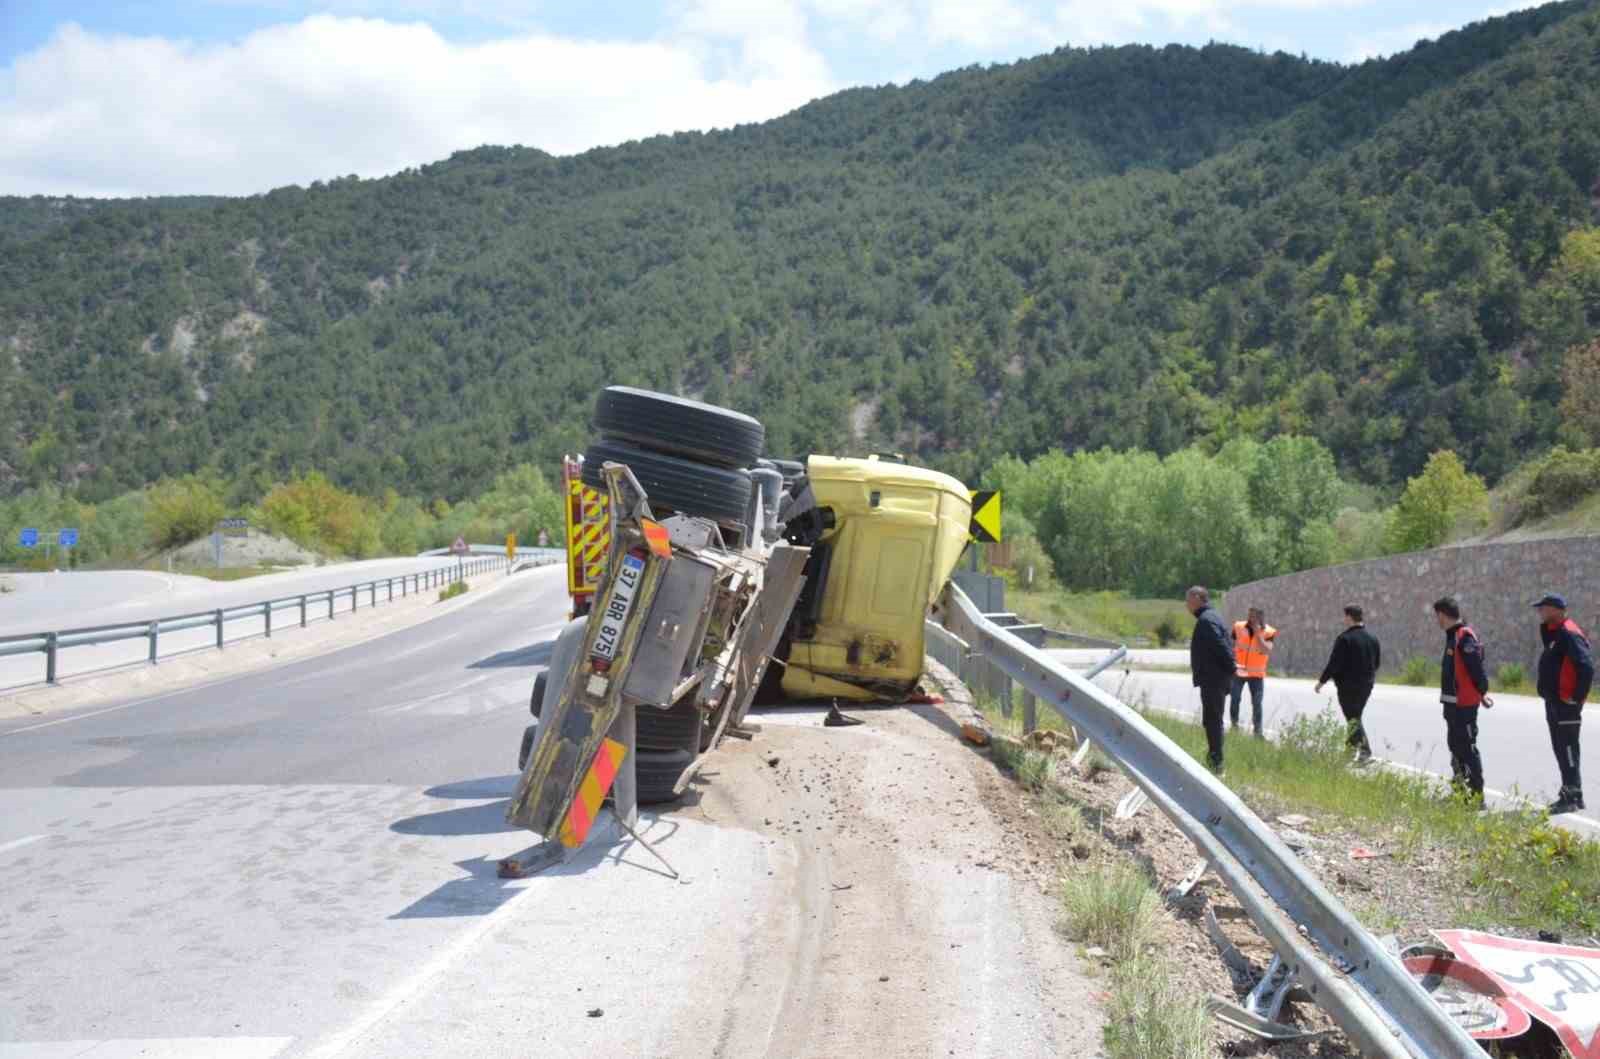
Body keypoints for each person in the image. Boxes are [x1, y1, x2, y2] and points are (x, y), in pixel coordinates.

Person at [1533, 593, 1593, 815]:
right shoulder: (1556, 633)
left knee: (1567, 749)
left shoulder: (1569, 633)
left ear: (1556, 609)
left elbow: (1586, 667)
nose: (1539, 611)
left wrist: (1576, 697)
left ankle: (1571, 797)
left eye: (1543, 608)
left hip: (1565, 704)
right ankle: (1572, 795)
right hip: (1555, 701)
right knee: (1562, 749)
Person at [1434, 596, 1491, 807]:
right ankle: (1460, 793)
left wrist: (1482, 691)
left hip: (1464, 706)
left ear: (1442, 614)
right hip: (1453, 705)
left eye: (1437, 617)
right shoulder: (1453, 636)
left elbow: (1476, 669)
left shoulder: (1463, 636)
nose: (1437, 621)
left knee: (1468, 749)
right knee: (1456, 749)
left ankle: (1476, 798)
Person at [1315, 605, 1381, 761]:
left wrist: (1321, 682)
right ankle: (1350, 750)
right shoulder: (1373, 638)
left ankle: (1365, 751)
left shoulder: (1344, 638)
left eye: (1345, 616)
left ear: (1349, 617)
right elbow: (1377, 663)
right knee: (1354, 717)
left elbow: (1334, 664)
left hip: (1347, 686)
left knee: (1352, 718)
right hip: (1366, 685)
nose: (1344, 619)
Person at [1187, 585, 1235, 774]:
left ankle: (1217, 763)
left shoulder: (1207, 620)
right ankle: (1214, 758)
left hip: (1214, 679)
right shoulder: (1211, 617)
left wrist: (1232, 667)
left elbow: (1221, 644)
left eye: (1188, 599)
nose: (1186, 605)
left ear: (1198, 598)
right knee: (1212, 719)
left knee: (1213, 720)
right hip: (1215, 678)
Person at [1230, 607, 1278, 737]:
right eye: (1250, 615)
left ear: (1261, 617)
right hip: (1238, 671)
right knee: (1235, 699)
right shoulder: (1238, 626)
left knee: (1257, 703)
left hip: (1256, 675)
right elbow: (1230, 644)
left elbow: (1267, 650)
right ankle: (1234, 727)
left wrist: (1258, 634)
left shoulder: (1269, 632)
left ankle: (1258, 733)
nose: (1251, 619)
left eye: (1255, 616)